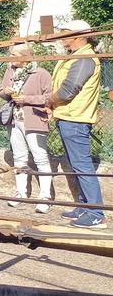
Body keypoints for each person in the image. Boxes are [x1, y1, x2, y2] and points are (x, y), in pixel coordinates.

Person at [49, 19, 106, 229]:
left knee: (82, 166)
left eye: (65, 33)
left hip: (75, 119)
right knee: (76, 166)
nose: (62, 37)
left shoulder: (83, 58)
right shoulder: (75, 56)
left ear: (77, 36)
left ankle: (95, 214)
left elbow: (67, 90)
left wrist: (48, 101)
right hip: (68, 117)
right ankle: (84, 206)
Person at [0, 43, 53, 213]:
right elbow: (1, 92)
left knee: (40, 157)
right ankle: (21, 193)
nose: (11, 58)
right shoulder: (10, 70)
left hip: (34, 119)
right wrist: (5, 91)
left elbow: (49, 96)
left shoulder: (40, 73)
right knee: (19, 157)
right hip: (14, 120)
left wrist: (27, 99)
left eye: (14, 55)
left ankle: (45, 197)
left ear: (25, 56)